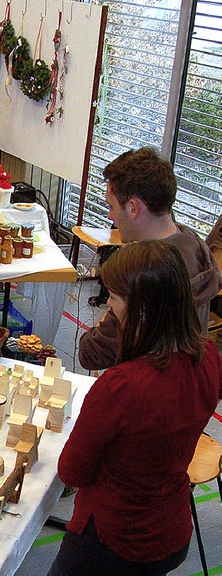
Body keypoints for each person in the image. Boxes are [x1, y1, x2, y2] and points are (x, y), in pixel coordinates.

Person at [48, 241, 222, 576]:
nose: (108, 306)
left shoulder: (121, 387)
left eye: (113, 297)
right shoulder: (208, 358)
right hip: (170, 529)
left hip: (114, 541)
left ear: (140, 310)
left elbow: (72, 473)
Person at [78, 147, 221, 370]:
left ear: (133, 208)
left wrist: (112, 309)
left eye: (112, 206)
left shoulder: (147, 271)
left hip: (145, 395)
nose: (110, 215)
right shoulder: (193, 244)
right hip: (182, 388)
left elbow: (91, 354)